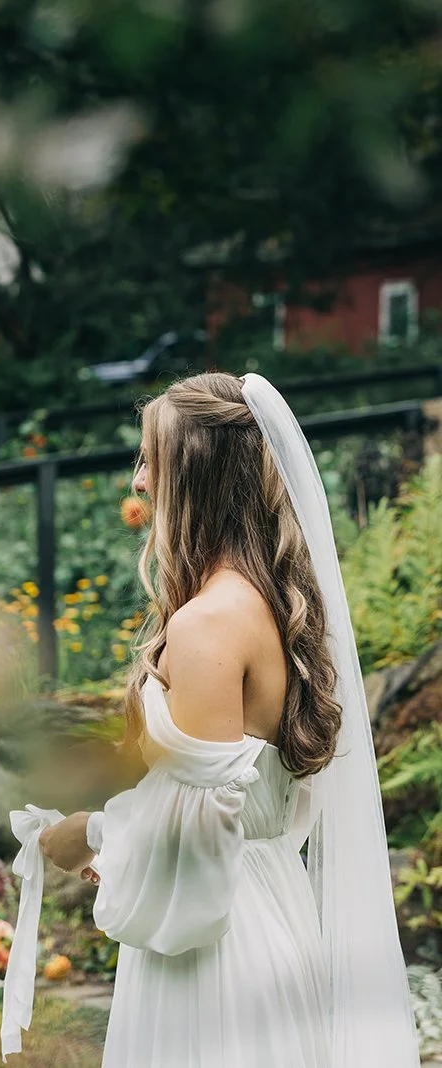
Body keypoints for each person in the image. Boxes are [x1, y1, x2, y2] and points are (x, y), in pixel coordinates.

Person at [39, 371, 417, 1068]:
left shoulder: (206, 624)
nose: (139, 483)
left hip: (217, 953)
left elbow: (198, 841)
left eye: (150, 460)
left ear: (195, 476)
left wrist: (85, 840)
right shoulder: (265, 604)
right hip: (268, 907)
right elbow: (232, 807)